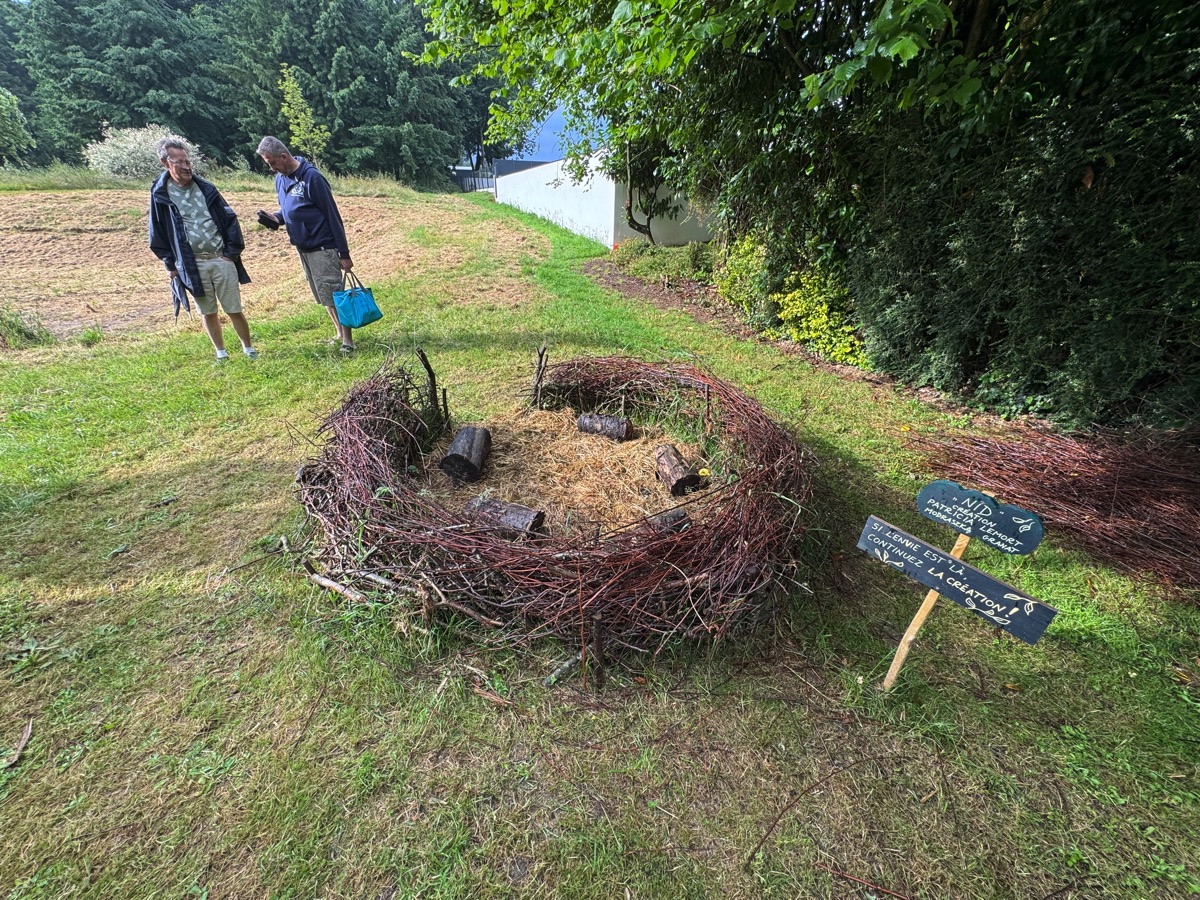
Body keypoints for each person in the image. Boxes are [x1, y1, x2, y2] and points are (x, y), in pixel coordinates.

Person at [149, 138, 257, 360]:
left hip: (221, 259)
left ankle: (249, 350)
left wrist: (231, 254)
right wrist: (171, 265)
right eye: (179, 162)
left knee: (234, 309)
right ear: (165, 163)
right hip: (192, 264)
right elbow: (157, 233)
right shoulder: (160, 194)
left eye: (187, 161)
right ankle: (221, 354)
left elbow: (230, 220)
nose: (186, 167)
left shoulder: (206, 188)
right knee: (207, 312)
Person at [255, 136, 356, 353]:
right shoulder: (281, 179)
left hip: (323, 246)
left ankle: (348, 341)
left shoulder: (313, 178)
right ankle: (339, 332)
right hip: (303, 248)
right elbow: (288, 209)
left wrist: (344, 253)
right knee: (323, 294)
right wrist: (276, 218)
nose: (271, 168)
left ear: (284, 157)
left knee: (335, 293)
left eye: (272, 163)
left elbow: (333, 216)